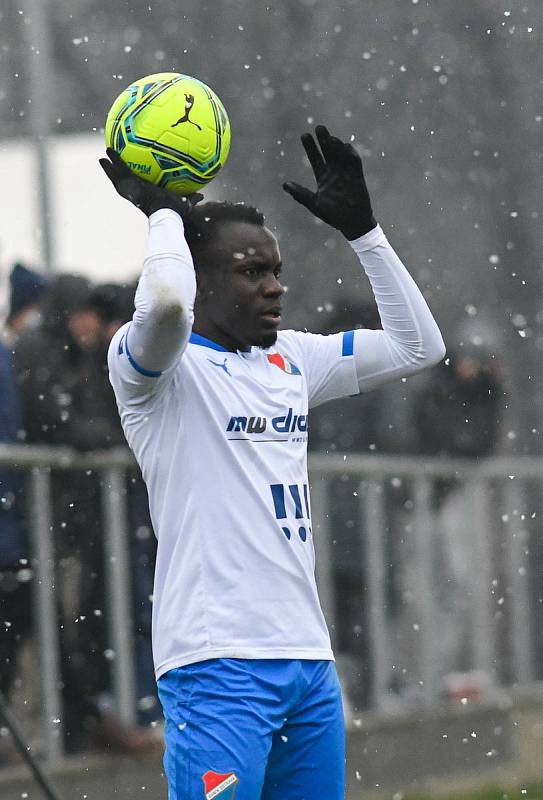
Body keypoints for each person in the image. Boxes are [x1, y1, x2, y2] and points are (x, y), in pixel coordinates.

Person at [100, 125, 445, 799]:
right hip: (217, 664)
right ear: (202, 279)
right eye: (251, 272)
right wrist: (164, 214)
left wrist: (365, 235)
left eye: (276, 271)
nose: (273, 288)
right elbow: (166, 303)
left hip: (307, 665)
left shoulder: (292, 359)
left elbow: (417, 346)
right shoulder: (154, 371)